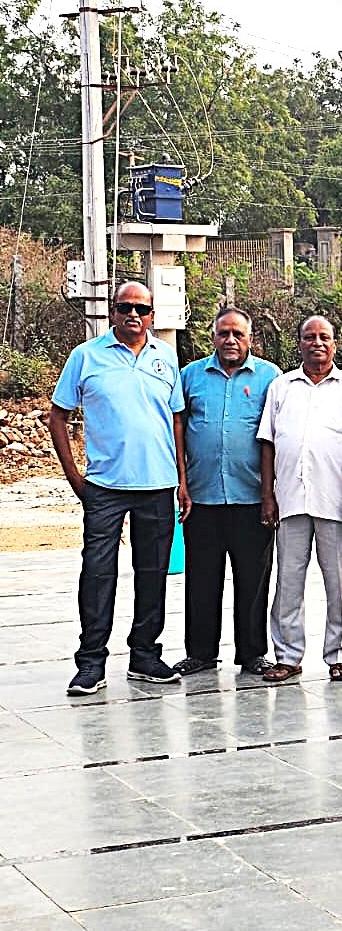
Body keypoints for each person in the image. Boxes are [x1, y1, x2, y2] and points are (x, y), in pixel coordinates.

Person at [47, 281, 186, 694]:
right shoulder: (86, 357)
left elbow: (176, 420)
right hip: (105, 487)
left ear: (152, 316)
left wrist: (181, 479)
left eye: (141, 309)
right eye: (125, 307)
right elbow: (58, 416)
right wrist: (76, 478)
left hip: (158, 484)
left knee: (152, 573)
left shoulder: (166, 358)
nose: (133, 315)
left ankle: (144, 655)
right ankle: (91, 662)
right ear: (112, 312)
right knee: (97, 573)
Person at [174, 307, 280, 678]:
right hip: (202, 498)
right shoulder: (190, 377)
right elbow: (179, 431)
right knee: (202, 578)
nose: (230, 340)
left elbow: (276, 438)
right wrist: (182, 482)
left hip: (252, 498)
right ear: (213, 337)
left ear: (250, 338)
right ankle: (201, 652)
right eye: (223, 333)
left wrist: (271, 494)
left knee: (253, 580)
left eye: (238, 333)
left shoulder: (271, 378)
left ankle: (252, 653)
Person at [257, 316, 342, 683]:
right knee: (288, 581)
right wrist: (267, 494)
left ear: (335, 344)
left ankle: (341, 655)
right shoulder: (281, 387)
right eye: (309, 337)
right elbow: (268, 441)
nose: (317, 343)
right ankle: (287, 655)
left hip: (334, 499)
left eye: (324, 337)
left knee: (339, 582)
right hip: (290, 498)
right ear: (298, 343)